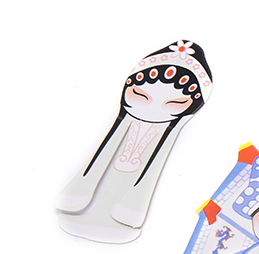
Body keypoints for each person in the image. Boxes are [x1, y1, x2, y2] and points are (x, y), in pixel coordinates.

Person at [56, 40, 212, 242]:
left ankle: (124, 215)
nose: (153, 108)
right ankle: (82, 204)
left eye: (175, 102)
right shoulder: (123, 124)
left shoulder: (168, 132)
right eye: (140, 95)